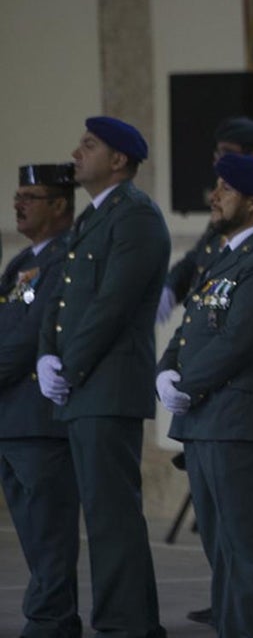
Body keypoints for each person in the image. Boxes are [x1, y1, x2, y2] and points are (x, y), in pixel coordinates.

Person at [37, 116, 170, 638]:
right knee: (100, 512)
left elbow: (111, 305)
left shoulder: (135, 217)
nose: (76, 153)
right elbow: (61, 298)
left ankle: (127, 624)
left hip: (106, 385)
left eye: (88, 146)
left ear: (118, 160)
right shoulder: (94, 218)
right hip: (81, 383)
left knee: (112, 515)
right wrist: (47, 354)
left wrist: (66, 364)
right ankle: (124, 619)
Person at [156, 153, 253, 638]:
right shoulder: (222, 256)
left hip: (240, 422)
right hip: (206, 421)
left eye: (225, 189)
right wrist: (166, 370)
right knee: (221, 549)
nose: (213, 198)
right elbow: (192, 328)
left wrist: (187, 385)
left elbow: (237, 341)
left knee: (246, 546)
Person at [0, 163, 81, 638]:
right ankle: (52, 615)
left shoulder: (64, 259)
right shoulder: (21, 262)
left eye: (31, 196)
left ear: (59, 205)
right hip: (11, 417)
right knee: (31, 530)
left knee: (49, 529)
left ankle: (50, 620)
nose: (18, 204)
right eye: (17, 196)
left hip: (40, 418)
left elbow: (29, 338)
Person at [158, 116, 253, 325]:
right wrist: (170, 288)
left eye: (226, 153)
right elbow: (200, 257)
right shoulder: (228, 208)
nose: (217, 161)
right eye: (217, 153)